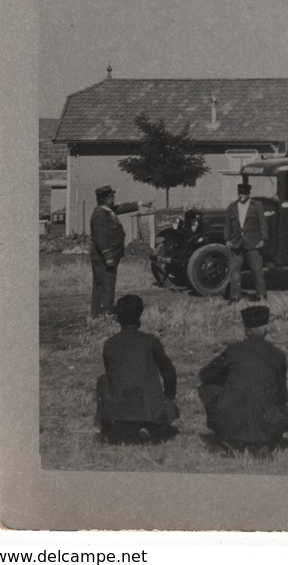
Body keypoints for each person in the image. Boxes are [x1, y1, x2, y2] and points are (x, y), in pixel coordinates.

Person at [198, 305, 288, 454]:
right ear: (266, 328)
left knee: (207, 387)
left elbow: (205, 375)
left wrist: (228, 379)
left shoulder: (233, 350)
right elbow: (282, 395)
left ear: (245, 329)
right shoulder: (278, 355)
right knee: (286, 413)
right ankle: (262, 441)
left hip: (233, 422)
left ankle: (227, 438)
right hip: (266, 421)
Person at [95, 294, 178, 445]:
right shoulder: (150, 341)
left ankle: (112, 427)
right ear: (140, 316)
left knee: (103, 379)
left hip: (119, 409)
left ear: (118, 319)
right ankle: (148, 429)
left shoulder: (110, 343)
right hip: (148, 409)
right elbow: (169, 373)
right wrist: (168, 398)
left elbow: (112, 375)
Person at [89, 185, 151, 319]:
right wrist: (108, 256)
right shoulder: (101, 214)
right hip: (104, 256)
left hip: (104, 256)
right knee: (107, 283)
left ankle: (96, 314)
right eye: (112, 196)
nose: (114, 198)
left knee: (101, 283)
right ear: (106, 199)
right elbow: (101, 237)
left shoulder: (106, 210)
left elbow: (122, 208)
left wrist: (140, 203)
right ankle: (107, 313)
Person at [225, 181, 268, 302]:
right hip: (236, 242)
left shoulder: (256, 205)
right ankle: (235, 297)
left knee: (256, 269)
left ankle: (261, 295)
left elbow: (263, 223)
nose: (241, 196)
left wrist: (263, 239)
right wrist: (227, 239)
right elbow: (227, 224)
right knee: (235, 270)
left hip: (253, 242)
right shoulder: (232, 207)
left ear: (248, 194)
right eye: (239, 194)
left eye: (243, 194)